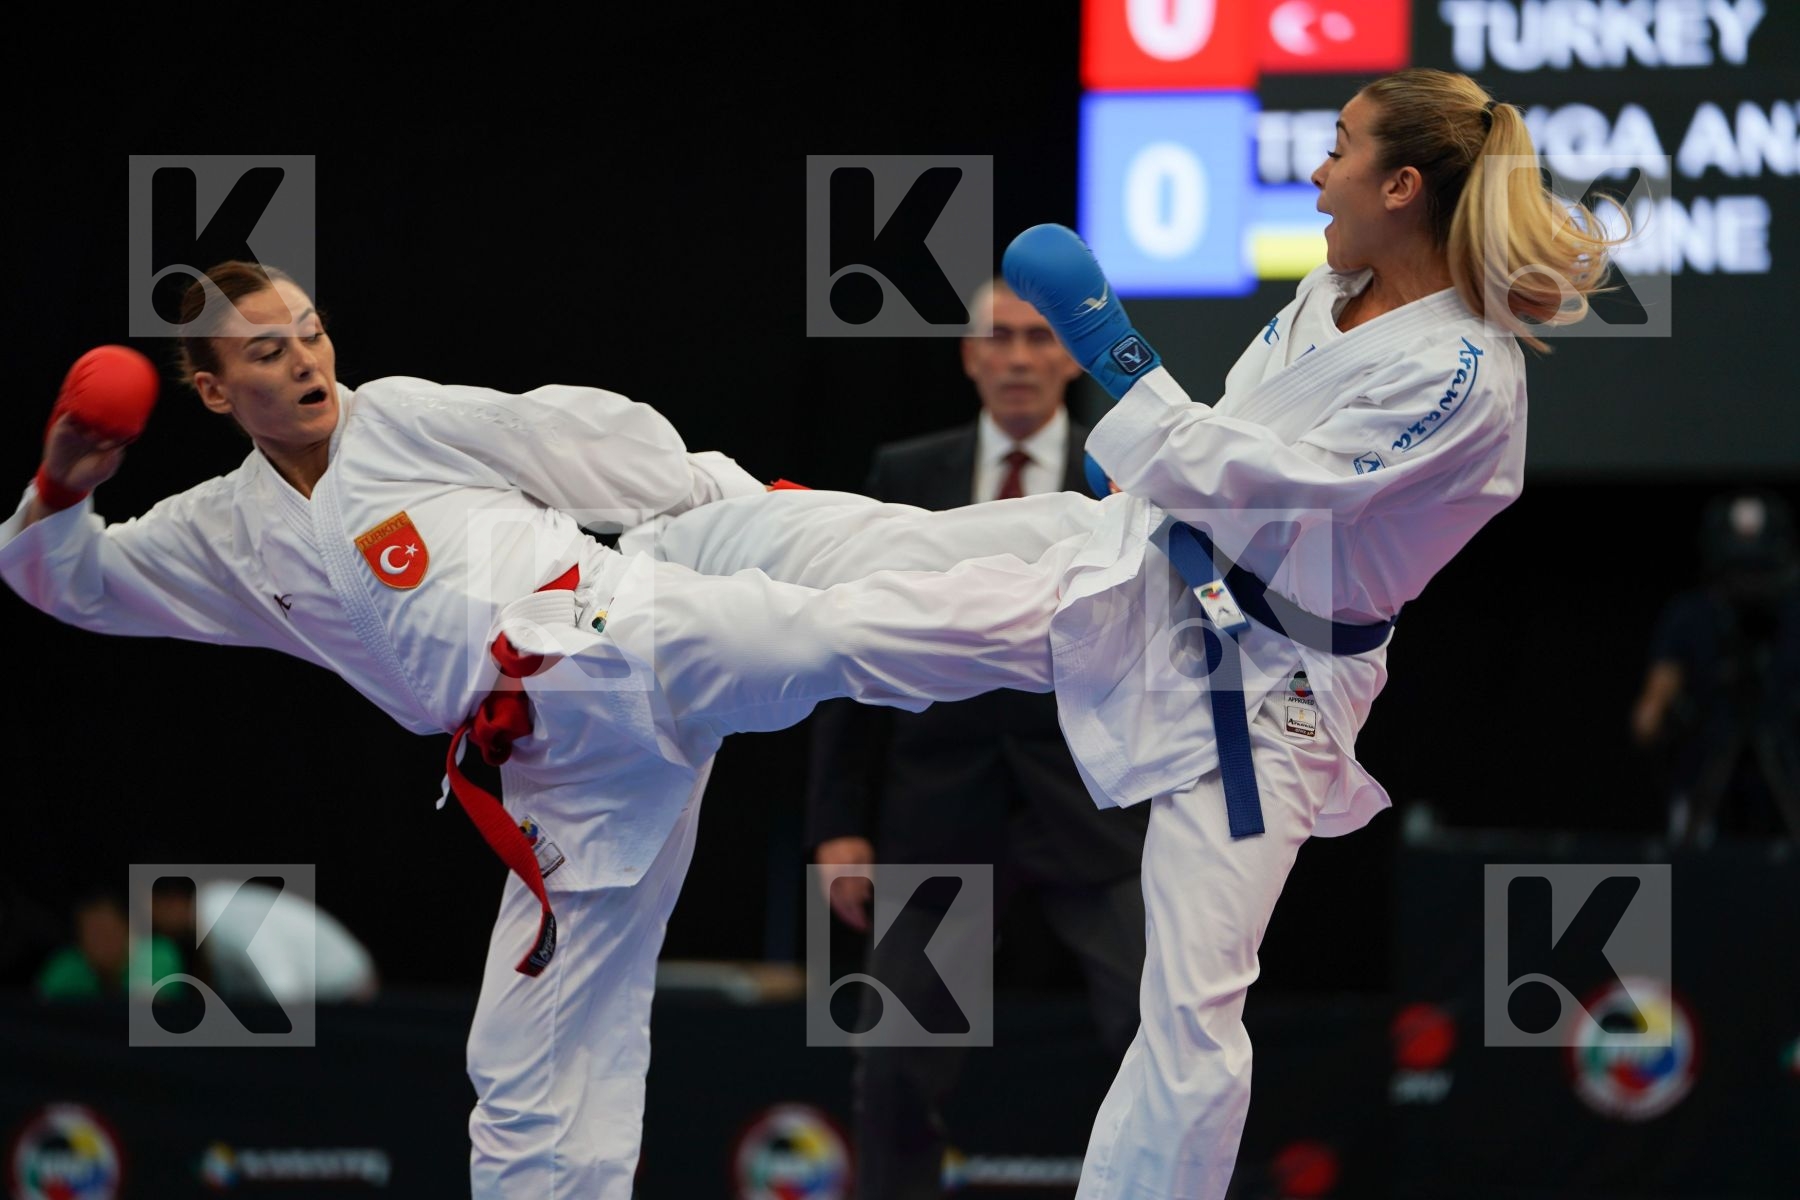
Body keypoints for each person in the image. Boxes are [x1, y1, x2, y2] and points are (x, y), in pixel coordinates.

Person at [630, 68, 1620, 1198]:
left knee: (1191, 999)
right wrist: (1150, 440)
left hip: (1271, 685)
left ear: (1401, 184)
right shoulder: (1334, 291)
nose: (1315, 172)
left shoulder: (1465, 375)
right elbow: (1233, 433)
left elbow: (1276, 481)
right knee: (890, 553)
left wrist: (1116, 358)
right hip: (1153, 563)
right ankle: (667, 530)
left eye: (1337, 148)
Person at [0, 262, 1096, 1199]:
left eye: (312, 333)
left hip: (622, 616)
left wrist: (698, 492)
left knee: (839, 590)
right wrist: (60, 486)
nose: (303, 361)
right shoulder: (222, 535)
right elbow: (67, 582)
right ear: (210, 390)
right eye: (267, 353)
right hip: (563, 774)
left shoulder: (402, 416)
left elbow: (559, 434)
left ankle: (1110, 567)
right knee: (525, 1061)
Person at [809, 279, 1147, 1198]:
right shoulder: (905, 472)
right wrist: (837, 821)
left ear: (1071, 357)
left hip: (1094, 807)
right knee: (893, 1070)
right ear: (967, 356)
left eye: (1040, 338)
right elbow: (849, 638)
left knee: (1167, 1042)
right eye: (997, 338)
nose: (1019, 357)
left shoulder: (1127, 472)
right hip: (936, 811)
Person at [1631, 490, 1800, 845]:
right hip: (1704, 784)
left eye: (1758, 569)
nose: (1749, 582)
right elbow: (1647, 720)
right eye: (1740, 569)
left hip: (1787, 783)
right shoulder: (1690, 616)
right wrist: (1670, 717)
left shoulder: (1794, 616)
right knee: (1695, 886)